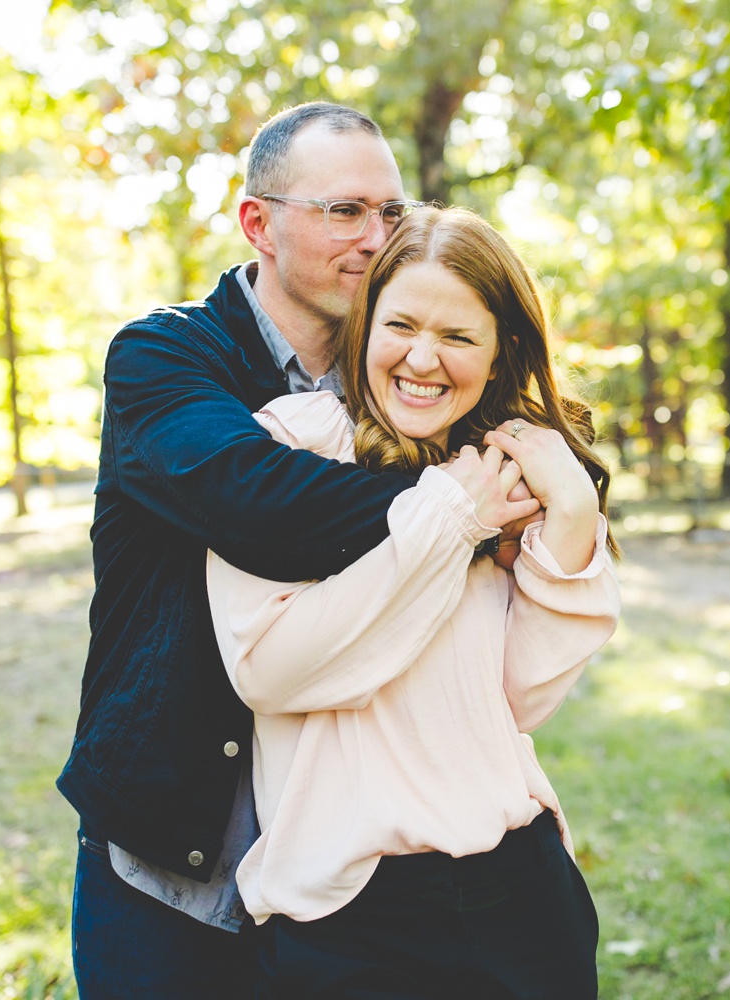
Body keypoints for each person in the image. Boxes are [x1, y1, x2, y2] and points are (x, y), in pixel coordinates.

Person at [58, 103, 454, 998]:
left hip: (344, 867)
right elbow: (256, 507)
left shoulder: (404, 379)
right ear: (257, 222)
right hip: (168, 860)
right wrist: (459, 506)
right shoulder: (163, 357)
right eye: (344, 211)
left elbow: (545, 453)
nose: (376, 237)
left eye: (391, 213)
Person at [209, 207, 622, 998]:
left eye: (459, 337)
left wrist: (570, 517)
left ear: (501, 349)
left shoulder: (502, 467)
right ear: (365, 325)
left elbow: (517, 701)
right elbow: (269, 672)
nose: (422, 359)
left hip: (518, 888)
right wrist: (447, 522)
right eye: (400, 324)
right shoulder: (287, 447)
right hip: (349, 909)